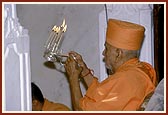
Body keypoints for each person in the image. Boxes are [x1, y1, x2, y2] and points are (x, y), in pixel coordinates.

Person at [64, 19, 157, 111]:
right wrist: (85, 72)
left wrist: (73, 78)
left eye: (107, 48)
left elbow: (82, 111)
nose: (104, 53)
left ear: (118, 53)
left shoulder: (125, 79)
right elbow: (102, 96)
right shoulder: (141, 69)